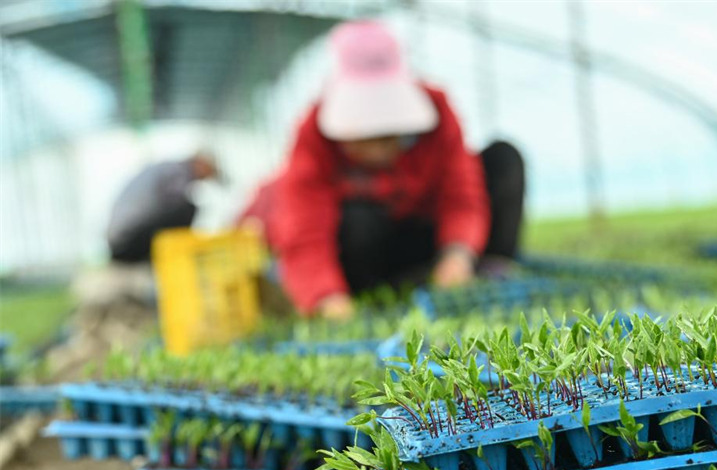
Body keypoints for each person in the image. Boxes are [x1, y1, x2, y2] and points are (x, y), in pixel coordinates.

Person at [239, 21, 525, 320]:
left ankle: (487, 273)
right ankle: (377, 292)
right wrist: (327, 298)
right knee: (358, 219)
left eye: (389, 137)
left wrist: (457, 255)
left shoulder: (437, 109)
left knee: (503, 159)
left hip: (427, 236)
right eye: (364, 139)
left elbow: (461, 193)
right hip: (372, 254)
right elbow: (304, 227)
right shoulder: (313, 136)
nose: (377, 152)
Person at [106, 152, 219, 263]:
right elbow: (175, 203)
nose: (205, 178)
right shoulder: (178, 171)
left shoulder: (167, 168)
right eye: (209, 171)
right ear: (201, 163)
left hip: (120, 243)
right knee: (187, 209)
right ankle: (171, 257)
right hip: (127, 242)